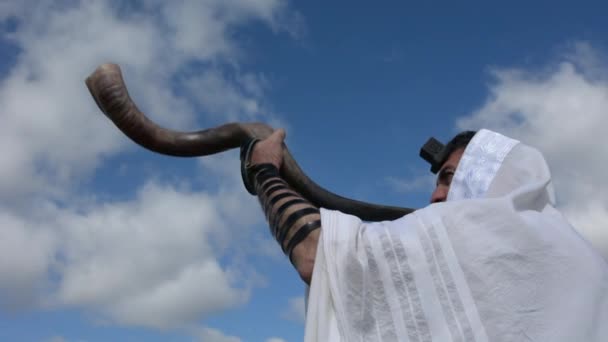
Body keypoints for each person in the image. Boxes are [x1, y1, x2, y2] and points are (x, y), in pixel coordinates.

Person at [244, 128, 608, 341]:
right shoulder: (581, 259)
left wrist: (263, 171)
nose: (434, 196)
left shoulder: (490, 234)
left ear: (485, 176)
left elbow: (318, 255)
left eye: (449, 178)